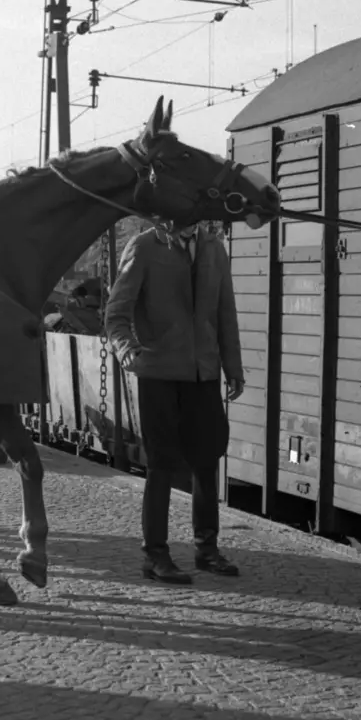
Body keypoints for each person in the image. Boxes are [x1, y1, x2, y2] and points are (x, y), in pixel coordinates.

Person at [104, 218, 245, 584]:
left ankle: (207, 550)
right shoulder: (145, 247)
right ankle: (155, 556)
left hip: (204, 374)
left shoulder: (214, 248)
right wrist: (127, 351)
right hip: (159, 373)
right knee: (161, 465)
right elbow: (116, 313)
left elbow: (225, 312)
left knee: (207, 460)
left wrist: (233, 367)